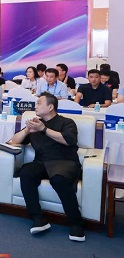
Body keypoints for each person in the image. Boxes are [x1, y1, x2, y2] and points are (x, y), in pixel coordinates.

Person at [6, 93, 84, 242]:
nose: (35, 106)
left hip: (65, 162)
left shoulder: (67, 122)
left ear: (50, 107)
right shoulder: (35, 124)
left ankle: (76, 223)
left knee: (58, 180)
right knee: (26, 172)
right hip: (42, 162)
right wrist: (27, 130)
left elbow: (68, 140)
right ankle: (38, 218)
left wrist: (43, 129)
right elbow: (13, 141)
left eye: (39, 103)